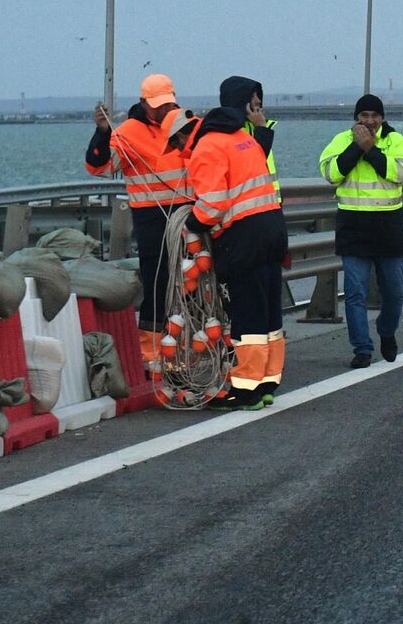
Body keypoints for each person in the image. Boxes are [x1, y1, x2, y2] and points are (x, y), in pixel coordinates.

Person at [187, 76, 288, 410]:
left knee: (247, 315)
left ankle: (246, 390)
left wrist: (192, 221)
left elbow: (212, 204)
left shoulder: (208, 145)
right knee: (269, 312)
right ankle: (267, 382)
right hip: (273, 229)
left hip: (244, 237)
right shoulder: (244, 141)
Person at [84, 72, 192, 368]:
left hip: (189, 215)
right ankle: (153, 354)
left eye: (168, 103)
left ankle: (188, 348)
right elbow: (100, 166)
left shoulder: (186, 124)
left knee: (192, 283)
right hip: (151, 218)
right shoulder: (129, 131)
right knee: (157, 283)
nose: (164, 109)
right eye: (158, 105)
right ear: (144, 103)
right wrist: (103, 133)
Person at [319, 94, 403, 368]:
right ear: (356, 118)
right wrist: (357, 147)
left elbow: (396, 174)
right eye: (364, 116)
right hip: (353, 227)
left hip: (388, 227)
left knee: (395, 292)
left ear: (382, 118)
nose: (369, 121)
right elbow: (332, 174)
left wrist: (370, 148)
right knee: (355, 292)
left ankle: (386, 330)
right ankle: (362, 348)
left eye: (375, 115)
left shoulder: (397, 141)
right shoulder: (340, 141)